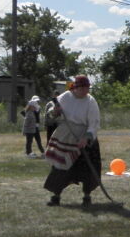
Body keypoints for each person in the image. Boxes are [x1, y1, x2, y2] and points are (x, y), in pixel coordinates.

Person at [43, 74, 102, 206]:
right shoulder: (65, 97)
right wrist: (55, 111)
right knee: (60, 166)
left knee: (88, 168)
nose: (86, 91)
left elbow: (94, 123)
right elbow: (51, 114)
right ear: (76, 88)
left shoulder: (91, 101)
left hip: (84, 135)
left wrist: (86, 138)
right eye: (83, 88)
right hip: (66, 135)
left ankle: (87, 196)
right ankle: (56, 196)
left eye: (87, 88)